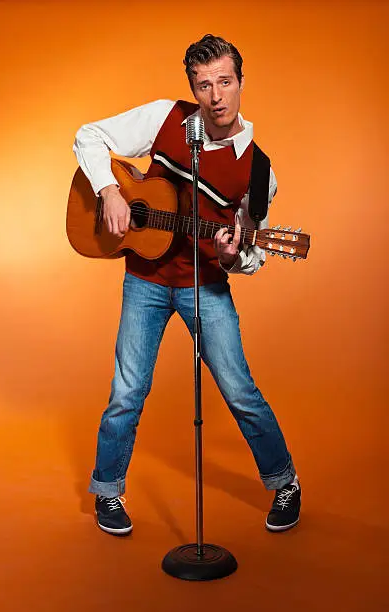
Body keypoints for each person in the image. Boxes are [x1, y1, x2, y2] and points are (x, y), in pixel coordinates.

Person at [73, 34, 301, 536]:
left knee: (239, 390)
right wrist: (109, 190)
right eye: (204, 85)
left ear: (241, 83)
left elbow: (251, 252)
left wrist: (232, 254)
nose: (216, 95)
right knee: (127, 392)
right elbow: (88, 135)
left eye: (224, 82)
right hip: (145, 280)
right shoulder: (165, 118)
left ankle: (284, 481)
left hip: (206, 288)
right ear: (193, 89)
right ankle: (108, 492)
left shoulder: (260, 173)